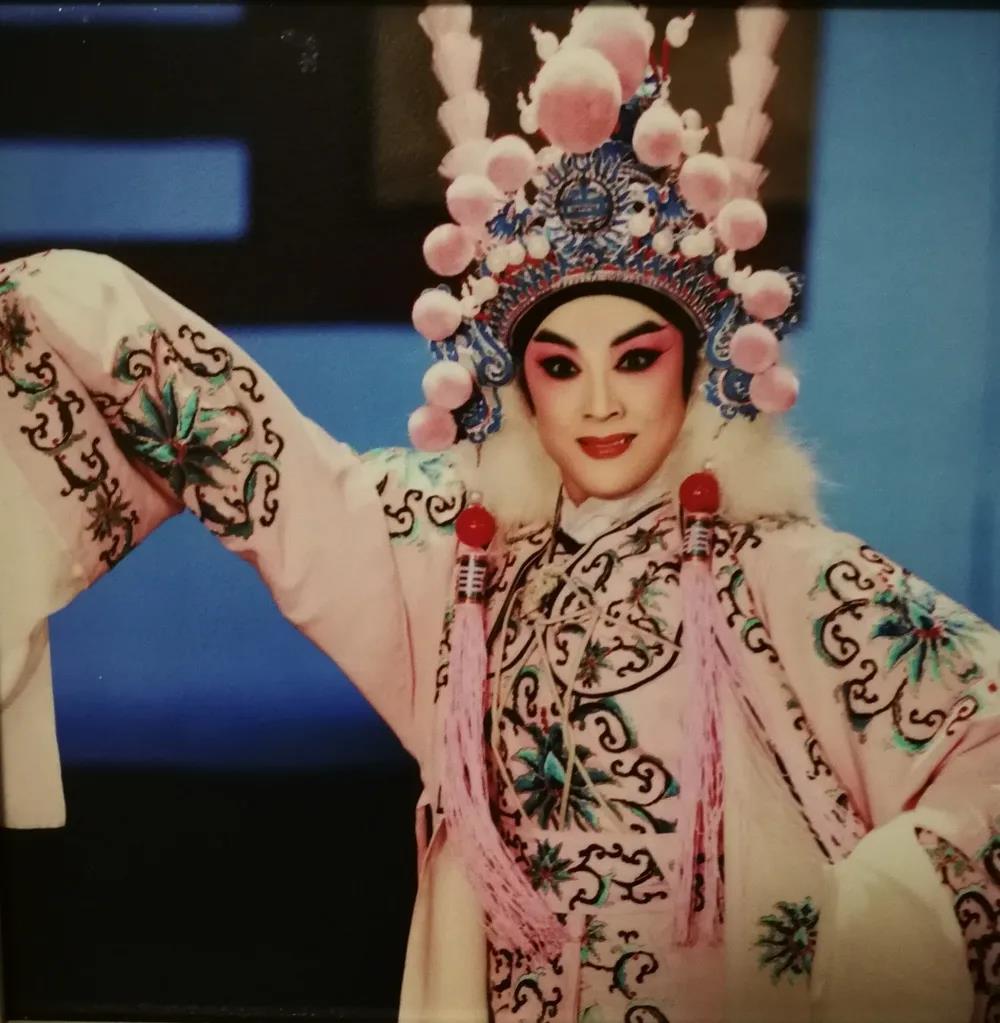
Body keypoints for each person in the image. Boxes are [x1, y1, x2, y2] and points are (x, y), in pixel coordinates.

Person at [1, 5, 997, 1022]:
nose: (599, 403)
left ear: (695, 366)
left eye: (636, 359)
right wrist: (74, 305)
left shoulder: (784, 571)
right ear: (519, 383)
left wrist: (876, 934)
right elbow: (266, 465)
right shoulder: (463, 555)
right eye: (559, 367)